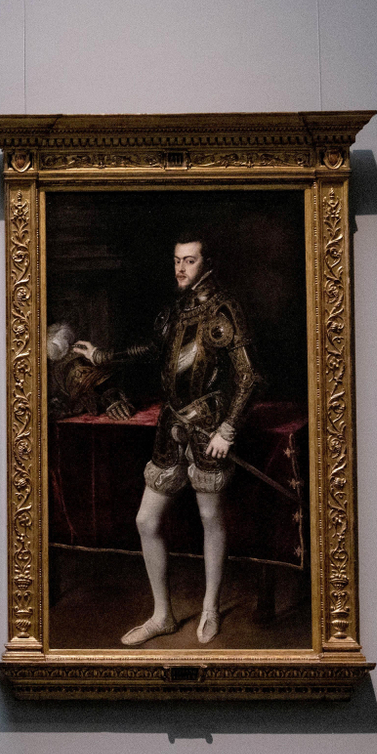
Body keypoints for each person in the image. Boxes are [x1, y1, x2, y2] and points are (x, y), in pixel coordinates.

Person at [111, 235, 259, 647]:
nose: (180, 268)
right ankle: (162, 615)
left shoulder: (224, 308)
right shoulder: (176, 308)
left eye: (189, 260)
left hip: (209, 426)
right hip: (171, 424)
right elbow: (151, 350)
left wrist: (228, 429)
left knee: (210, 517)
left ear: (206, 263)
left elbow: (250, 377)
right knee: (146, 520)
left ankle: (210, 607)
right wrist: (102, 356)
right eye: (177, 260)